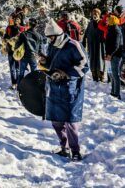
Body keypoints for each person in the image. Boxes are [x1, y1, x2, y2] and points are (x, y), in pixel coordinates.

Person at [40, 20, 88, 161]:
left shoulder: (74, 45)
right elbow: (52, 63)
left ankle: (75, 151)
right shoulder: (52, 46)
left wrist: (65, 73)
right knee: (56, 120)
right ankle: (64, 147)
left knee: (70, 121)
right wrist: (45, 62)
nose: (49, 40)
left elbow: (84, 66)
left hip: (71, 88)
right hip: (54, 87)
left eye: (51, 37)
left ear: (58, 34)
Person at [14, 18, 42, 85]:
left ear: (29, 24)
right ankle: (34, 88)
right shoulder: (39, 36)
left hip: (24, 57)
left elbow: (17, 45)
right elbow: (40, 49)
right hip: (33, 57)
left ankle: (19, 88)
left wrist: (17, 53)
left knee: (21, 74)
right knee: (34, 74)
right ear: (36, 25)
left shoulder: (23, 34)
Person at [103, 12, 124, 99]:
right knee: (111, 74)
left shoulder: (116, 30)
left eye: (108, 20)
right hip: (111, 55)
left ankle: (117, 93)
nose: (106, 21)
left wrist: (110, 54)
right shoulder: (111, 29)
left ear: (112, 21)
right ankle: (113, 91)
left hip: (116, 55)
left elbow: (116, 45)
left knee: (115, 74)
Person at [84, 9, 106, 82]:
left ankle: (101, 76)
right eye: (93, 13)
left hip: (100, 45)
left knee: (100, 60)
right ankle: (94, 76)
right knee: (93, 60)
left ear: (99, 14)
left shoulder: (102, 22)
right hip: (92, 45)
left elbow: (106, 32)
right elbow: (86, 33)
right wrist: (84, 41)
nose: (95, 15)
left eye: (96, 13)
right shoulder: (90, 23)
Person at [4, 14, 26, 89]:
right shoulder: (9, 28)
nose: (16, 20)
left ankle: (18, 83)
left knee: (18, 68)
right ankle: (14, 83)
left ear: (20, 20)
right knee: (12, 67)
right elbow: (5, 36)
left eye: (18, 19)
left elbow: (25, 40)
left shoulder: (22, 29)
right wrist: (7, 40)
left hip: (19, 51)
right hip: (10, 50)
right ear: (13, 20)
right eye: (15, 19)